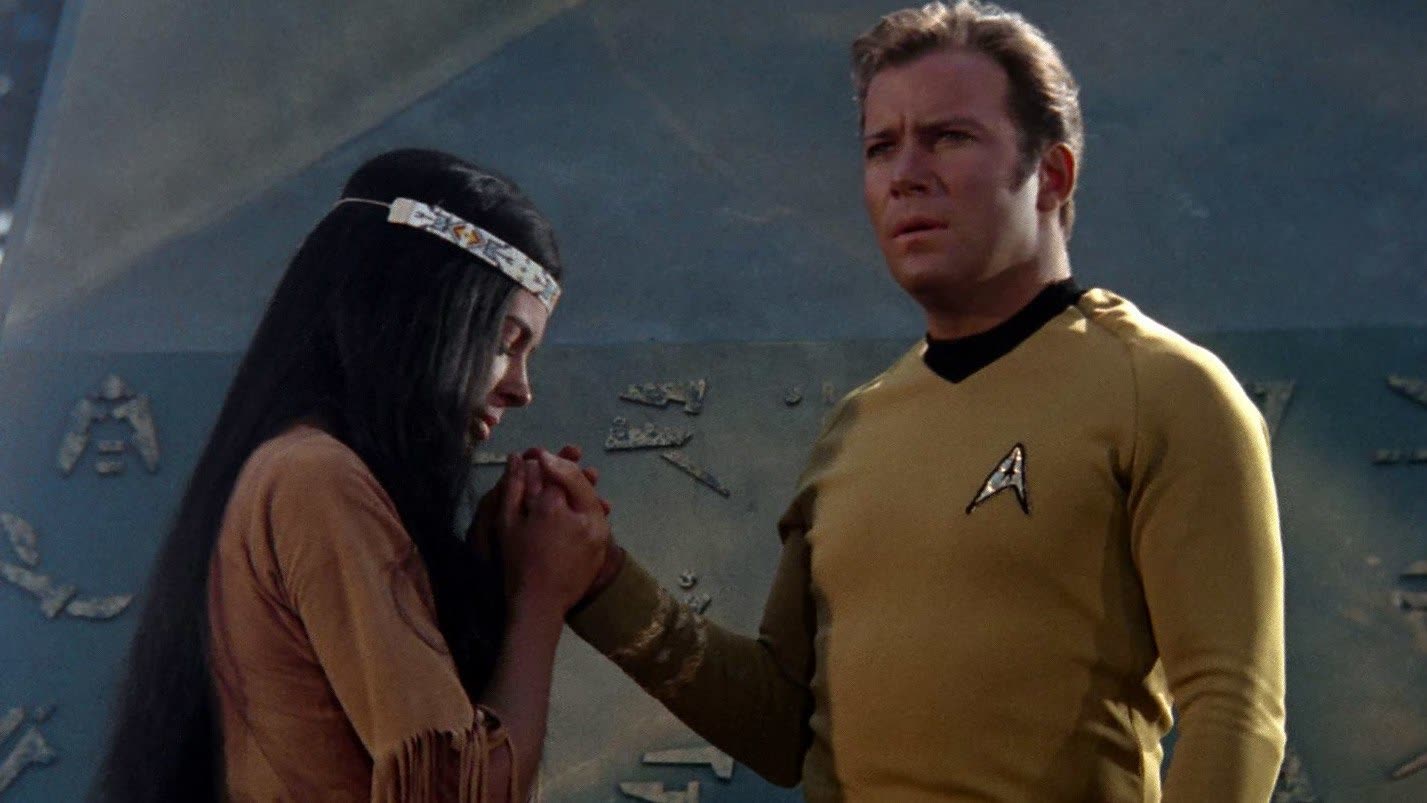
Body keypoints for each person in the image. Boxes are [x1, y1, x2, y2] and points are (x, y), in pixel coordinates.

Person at [534, 2, 1287, 800]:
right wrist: (602, 579)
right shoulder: (854, 429)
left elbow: (1236, 709)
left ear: (1051, 175)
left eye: (949, 137)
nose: (906, 174)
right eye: (880, 147)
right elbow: (784, 725)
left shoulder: (1164, 390)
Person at [94, 149, 612, 802]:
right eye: (504, 344)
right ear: (418, 316)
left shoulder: (298, 467)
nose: (522, 389)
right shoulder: (320, 477)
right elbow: (453, 793)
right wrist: (540, 597)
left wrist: (492, 572)